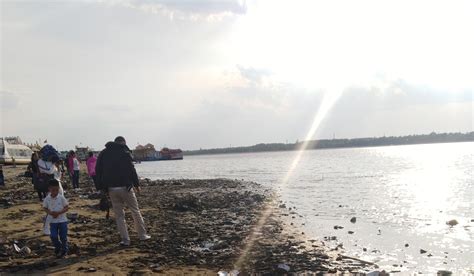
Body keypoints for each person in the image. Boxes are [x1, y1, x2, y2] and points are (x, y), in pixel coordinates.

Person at [95, 136, 150, 246]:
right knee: (135, 210)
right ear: (123, 143)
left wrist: (101, 187)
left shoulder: (103, 153)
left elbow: (98, 170)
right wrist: (137, 184)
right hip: (126, 187)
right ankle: (142, 235)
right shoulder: (124, 151)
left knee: (119, 215)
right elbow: (131, 169)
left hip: (111, 188)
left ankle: (125, 240)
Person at [43, 179, 69, 258]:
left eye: (57, 190)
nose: (55, 192)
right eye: (53, 190)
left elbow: (66, 207)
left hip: (62, 220)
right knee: (53, 236)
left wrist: (59, 213)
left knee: (63, 237)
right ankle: (58, 247)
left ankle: (64, 250)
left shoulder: (61, 198)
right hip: (53, 221)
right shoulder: (47, 199)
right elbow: (45, 208)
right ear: (49, 189)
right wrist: (50, 213)